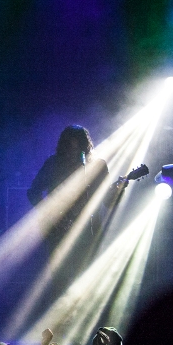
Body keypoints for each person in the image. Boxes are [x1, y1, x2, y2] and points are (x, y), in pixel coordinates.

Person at [27, 125, 110, 292]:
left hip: (88, 231)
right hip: (57, 231)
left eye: (75, 147)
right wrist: (50, 215)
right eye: (67, 146)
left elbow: (108, 201)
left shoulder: (97, 166)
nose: (71, 151)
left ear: (83, 147)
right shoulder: (53, 163)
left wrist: (118, 189)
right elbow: (33, 192)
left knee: (86, 279)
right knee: (59, 281)